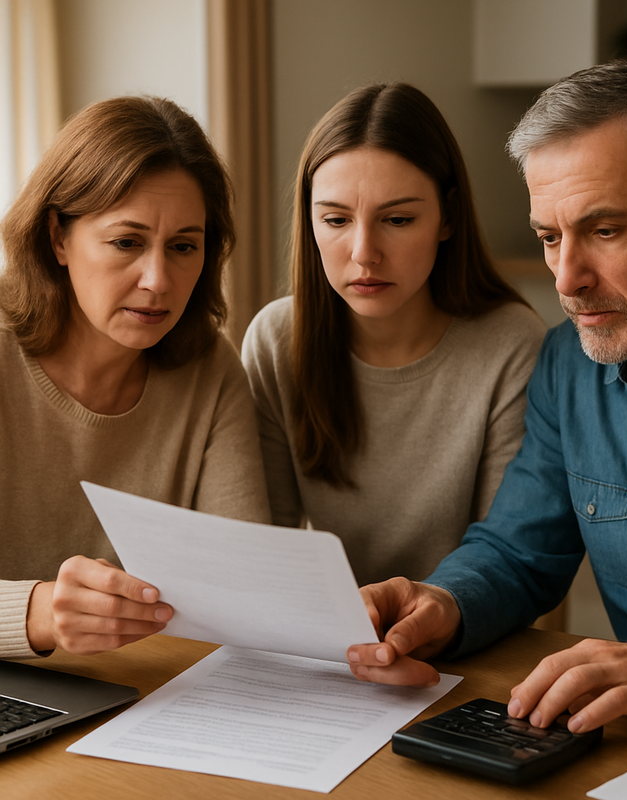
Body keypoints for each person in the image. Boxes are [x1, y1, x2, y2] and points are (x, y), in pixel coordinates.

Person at [345, 60, 627, 733]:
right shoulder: (568, 361)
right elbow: (519, 551)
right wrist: (443, 601)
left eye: (605, 231)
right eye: (550, 237)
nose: (567, 278)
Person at [0, 96, 271, 660]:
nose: (158, 280)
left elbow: (243, 587)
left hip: (139, 697)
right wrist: (36, 612)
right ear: (57, 238)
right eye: (127, 242)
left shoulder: (210, 368)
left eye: (183, 248)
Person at [242, 83, 546, 585]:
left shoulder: (511, 344)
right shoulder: (277, 340)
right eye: (336, 219)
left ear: (446, 217)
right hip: (329, 639)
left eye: (398, 219)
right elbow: (265, 549)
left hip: (466, 633)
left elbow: (506, 558)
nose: (364, 252)